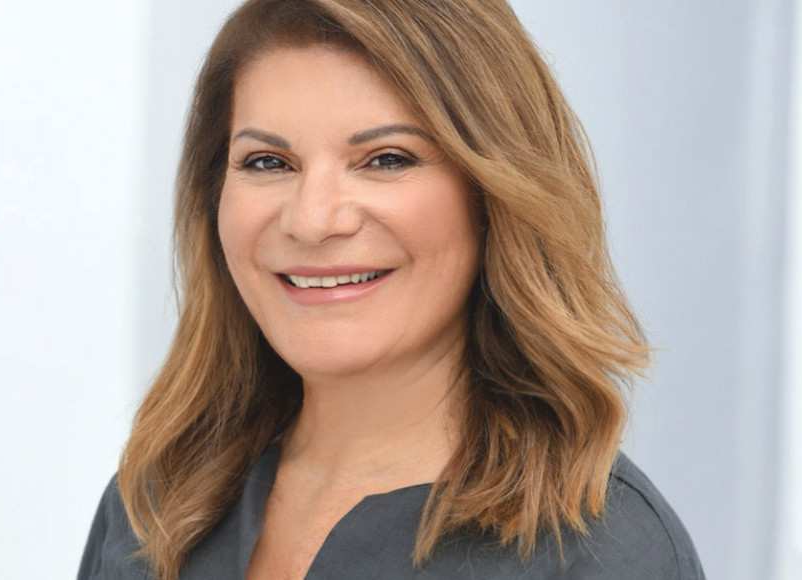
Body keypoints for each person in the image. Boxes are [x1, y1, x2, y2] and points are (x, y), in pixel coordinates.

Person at [78, 1, 706, 579]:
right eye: (268, 162)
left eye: (387, 159)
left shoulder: (604, 552)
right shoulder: (155, 502)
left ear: (495, 195)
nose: (312, 220)